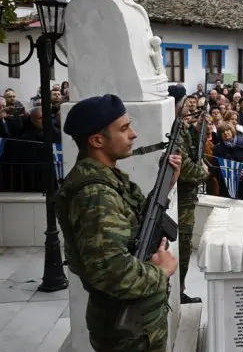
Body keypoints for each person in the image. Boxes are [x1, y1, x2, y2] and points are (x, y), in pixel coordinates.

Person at [55, 94, 180, 352]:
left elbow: (131, 222)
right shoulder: (95, 195)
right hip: (128, 334)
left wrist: (166, 185)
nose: (133, 134)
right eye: (124, 129)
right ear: (97, 140)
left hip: (140, 323)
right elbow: (111, 272)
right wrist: (161, 271)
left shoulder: (108, 177)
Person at [168, 85, 208, 304]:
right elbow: (184, 166)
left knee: (184, 246)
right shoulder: (174, 128)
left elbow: (193, 153)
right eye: (185, 100)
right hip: (181, 199)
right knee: (182, 246)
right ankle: (177, 294)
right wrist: (202, 173)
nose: (189, 104)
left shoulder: (182, 126)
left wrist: (199, 131)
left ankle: (179, 290)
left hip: (186, 198)